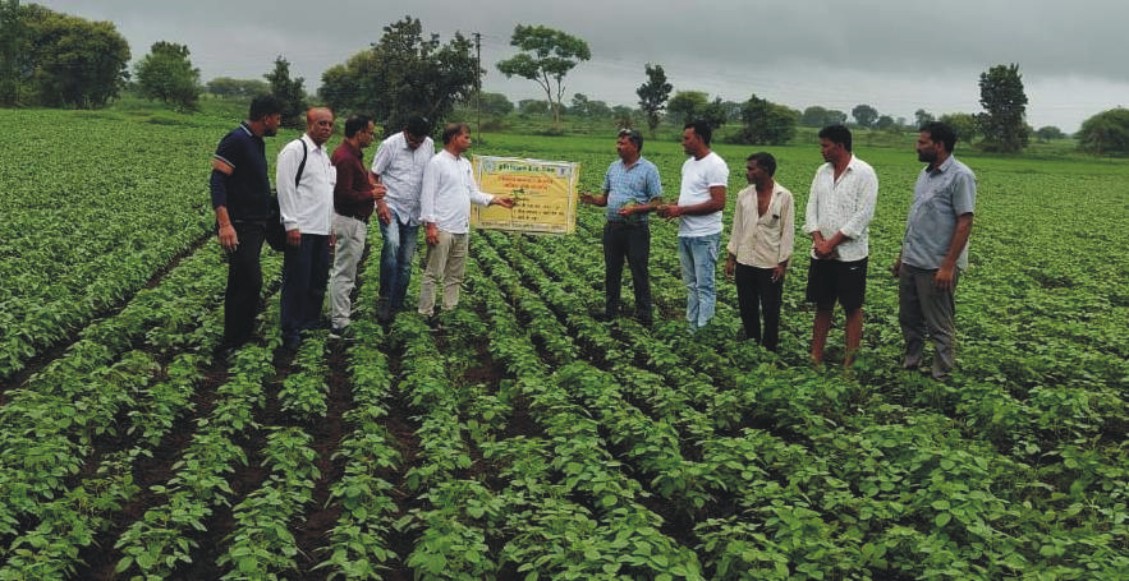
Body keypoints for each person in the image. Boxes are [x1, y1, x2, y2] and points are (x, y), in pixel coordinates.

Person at [892, 121, 975, 380]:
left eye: (922, 142)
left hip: (936, 265)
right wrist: (901, 256)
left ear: (938, 145)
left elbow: (965, 221)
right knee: (909, 318)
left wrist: (948, 266)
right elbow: (917, 219)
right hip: (913, 260)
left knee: (939, 322)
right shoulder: (925, 174)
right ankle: (912, 363)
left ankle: (941, 375)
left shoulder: (961, 176)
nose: (917, 147)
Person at [209, 94, 283, 358]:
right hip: (239, 224)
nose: (279, 122)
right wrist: (225, 224)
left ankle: (242, 336)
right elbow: (217, 182)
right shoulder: (236, 140)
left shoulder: (256, 142)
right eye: (277, 118)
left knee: (248, 281)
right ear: (266, 118)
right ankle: (231, 342)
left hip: (256, 222)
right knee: (246, 280)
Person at [417, 123, 514, 320]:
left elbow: (473, 193)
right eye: (466, 137)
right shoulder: (437, 163)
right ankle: (425, 312)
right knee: (434, 273)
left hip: (462, 228)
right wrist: (430, 226)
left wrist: (496, 199)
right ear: (454, 138)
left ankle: (449, 311)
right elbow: (427, 196)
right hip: (442, 227)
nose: (469, 141)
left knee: (455, 275)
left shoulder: (465, 164)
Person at [803, 124, 878, 367]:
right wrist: (818, 241)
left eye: (825, 145)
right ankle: (816, 355)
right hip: (821, 253)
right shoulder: (822, 172)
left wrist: (832, 242)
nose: (821, 150)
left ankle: (849, 362)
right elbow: (811, 207)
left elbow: (863, 214)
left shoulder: (865, 173)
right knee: (823, 304)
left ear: (840, 146)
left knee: (852, 307)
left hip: (851, 255)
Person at [579, 128, 663, 325]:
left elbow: (657, 203)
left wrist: (635, 209)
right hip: (613, 228)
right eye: (618, 143)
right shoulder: (613, 168)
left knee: (638, 271)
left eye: (622, 143)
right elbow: (604, 200)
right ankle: (610, 312)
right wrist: (592, 199)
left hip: (636, 230)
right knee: (612, 271)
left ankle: (644, 315)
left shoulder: (649, 169)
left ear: (634, 146)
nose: (618, 147)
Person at [658, 120, 728, 332]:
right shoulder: (688, 165)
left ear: (699, 139)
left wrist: (680, 211)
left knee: (704, 285)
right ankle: (691, 328)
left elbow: (718, 202)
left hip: (705, 235)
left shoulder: (715, 165)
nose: (683, 143)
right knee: (690, 284)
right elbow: (690, 197)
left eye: (686, 138)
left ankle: (704, 330)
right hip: (686, 232)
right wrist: (672, 207)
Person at [277, 107, 336, 352]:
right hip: (302, 228)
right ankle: (291, 329)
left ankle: (309, 323)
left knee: (317, 279)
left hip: (321, 229)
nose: (326, 128)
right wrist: (291, 224)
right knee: (297, 281)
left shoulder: (324, 155)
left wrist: (331, 227)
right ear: (309, 124)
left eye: (330, 124)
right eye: (321, 123)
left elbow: (327, 194)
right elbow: (285, 187)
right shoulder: (295, 150)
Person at [724, 152, 794, 351]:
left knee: (771, 308)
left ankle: (770, 346)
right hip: (745, 260)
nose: (747, 172)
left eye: (751, 168)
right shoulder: (743, 196)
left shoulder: (784, 196)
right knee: (747, 305)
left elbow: (787, 232)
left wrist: (782, 264)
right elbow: (737, 228)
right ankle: (752, 341)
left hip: (770, 262)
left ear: (765, 170)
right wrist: (731, 258)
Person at [371, 115, 435, 323]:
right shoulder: (390, 145)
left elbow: (430, 178)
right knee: (391, 245)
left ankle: (396, 304)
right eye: (413, 140)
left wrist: (429, 214)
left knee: (406, 263)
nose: (416, 144)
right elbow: (373, 175)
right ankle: (384, 297)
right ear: (405, 131)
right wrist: (380, 204)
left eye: (420, 140)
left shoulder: (429, 145)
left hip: (414, 210)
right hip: (391, 205)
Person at [328, 114, 384, 340]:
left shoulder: (350, 155)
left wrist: (369, 187)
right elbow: (343, 195)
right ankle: (339, 324)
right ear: (359, 132)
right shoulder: (345, 158)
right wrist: (371, 194)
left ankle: (338, 315)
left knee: (343, 271)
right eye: (370, 132)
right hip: (349, 221)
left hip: (352, 220)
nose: (372, 136)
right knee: (344, 273)